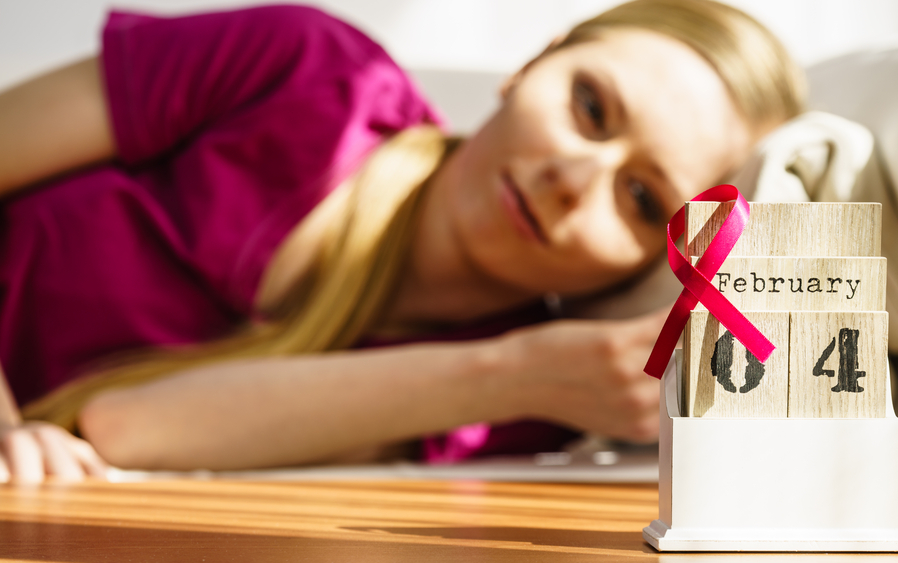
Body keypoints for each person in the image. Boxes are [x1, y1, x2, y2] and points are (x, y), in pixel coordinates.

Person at [0, 0, 804, 482]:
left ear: (651, 259)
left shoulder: (523, 394)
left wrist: (518, 372)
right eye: (590, 107)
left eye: (640, 197)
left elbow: (123, 431)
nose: (572, 176)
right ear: (532, 64)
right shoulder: (305, 69)